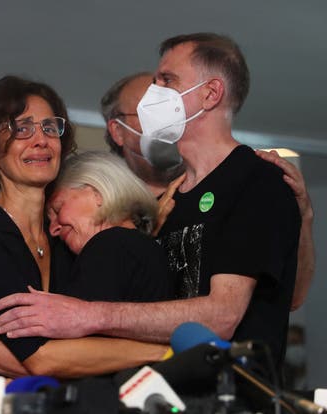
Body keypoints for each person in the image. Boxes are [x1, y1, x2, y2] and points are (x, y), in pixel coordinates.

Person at [0, 33, 301, 369]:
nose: (153, 94)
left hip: (233, 396)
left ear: (210, 94)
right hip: (170, 393)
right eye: (155, 81)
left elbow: (222, 316)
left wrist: (87, 315)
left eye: (167, 80)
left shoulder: (254, 179)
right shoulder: (171, 199)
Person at [0, 76, 167, 379]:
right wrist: (163, 353)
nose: (41, 139)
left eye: (50, 127)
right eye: (21, 128)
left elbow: (78, 354)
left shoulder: (65, 240)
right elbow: (44, 360)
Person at [102, 72, 315, 308]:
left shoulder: (233, 191)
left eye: (166, 108)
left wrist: (303, 218)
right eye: (148, 111)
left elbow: (292, 297)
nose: (161, 122)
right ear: (117, 131)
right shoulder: (101, 207)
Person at [48, 150, 173, 303]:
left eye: (58, 209)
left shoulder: (110, 243)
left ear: (97, 193)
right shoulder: (140, 249)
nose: (53, 229)